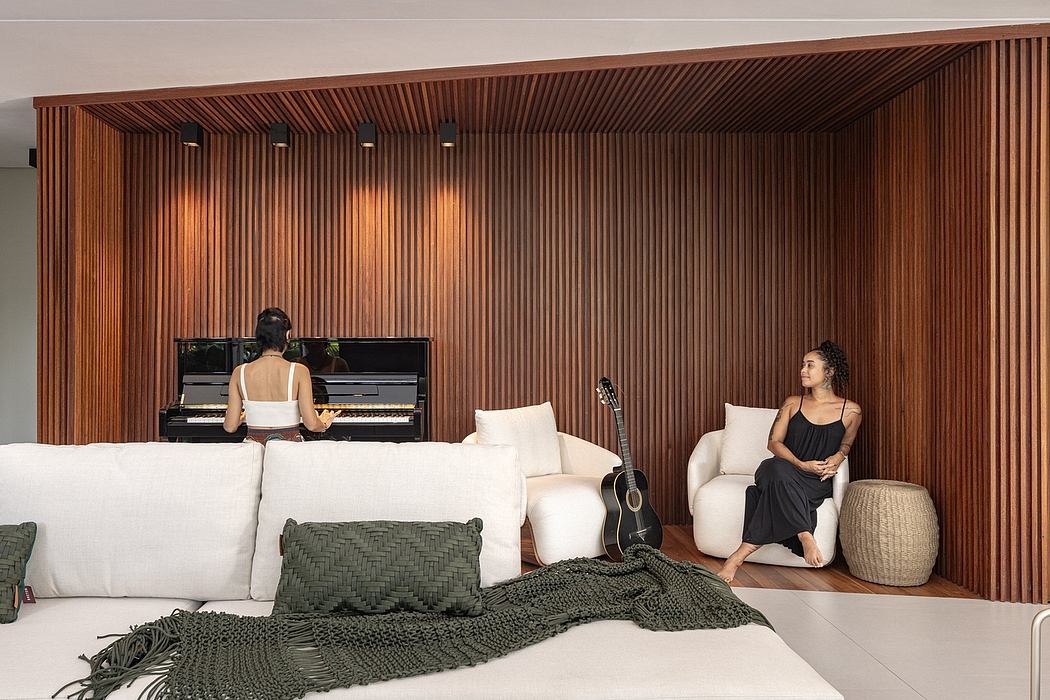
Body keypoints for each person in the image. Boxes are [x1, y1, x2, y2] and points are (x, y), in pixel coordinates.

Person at [716, 340, 862, 584]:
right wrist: (801, 464)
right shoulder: (794, 402)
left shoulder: (851, 411)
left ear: (829, 372)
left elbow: (846, 445)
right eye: (803, 365)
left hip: (814, 480)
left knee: (771, 492)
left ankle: (738, 556)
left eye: (810, 365)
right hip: (782, 469)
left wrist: (837, 457)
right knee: (774, 467)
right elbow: (773, 443)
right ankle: (805, 534)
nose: (803, 370)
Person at [223, 308, 340, 443]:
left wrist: (240, 419)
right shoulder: (299, 371)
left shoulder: (240, 372)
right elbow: (312, 424)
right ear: (287, 335)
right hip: (288, 454)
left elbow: (230, 427)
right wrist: (323, 424)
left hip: (254, 453)